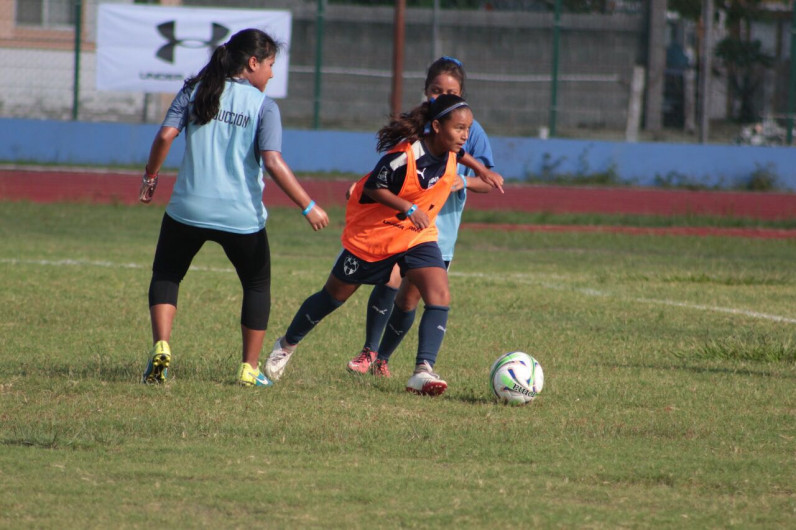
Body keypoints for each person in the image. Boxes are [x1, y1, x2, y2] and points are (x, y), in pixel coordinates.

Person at [263, 94, 503, 396]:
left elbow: (460, 154)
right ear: (437, 126)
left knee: (439, 293)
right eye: (459, 128)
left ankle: (423, 371)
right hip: (375, 236)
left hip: (417, 236)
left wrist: (481, 170)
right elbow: (376, 185)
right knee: (332, 297)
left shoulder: (451, 151)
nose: (465, 135)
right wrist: (408, 208)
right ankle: (286, 345)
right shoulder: (405, 155)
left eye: (467, 128)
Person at [138, 29, 329, 388]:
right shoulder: (263, 106)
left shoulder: (195, 90)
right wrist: (308, 205)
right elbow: (272, 161)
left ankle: (162, 346)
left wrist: (151, 178)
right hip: (241, 218)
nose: (272, 74)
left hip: (187, 210)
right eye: (270, 65)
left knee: (167, 275)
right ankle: (248, 368)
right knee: (257, 286)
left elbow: (165, 136)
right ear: (252, 63)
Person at [346, 56, 496, 377]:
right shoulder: (418, 122)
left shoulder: (470, 128)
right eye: (434, 90)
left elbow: (489, 179)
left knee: (410, 298)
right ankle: (368, 352)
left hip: (438, 228)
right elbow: (392, 167)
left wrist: (465, 179)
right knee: (389, 279)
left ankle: (384, 359)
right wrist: (362, 186)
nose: (440, 96)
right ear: (425, 89)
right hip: (400, 223)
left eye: (449, 91)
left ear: (462, 94)